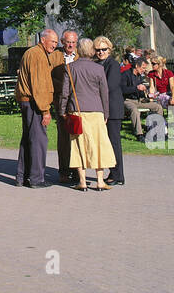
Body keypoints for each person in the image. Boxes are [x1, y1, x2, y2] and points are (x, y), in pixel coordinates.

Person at [56, 38, 116, 191]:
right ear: (92, 51)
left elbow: (65, 93)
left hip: (77, 111)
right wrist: (106, 113)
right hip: (96, 111)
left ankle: (82, 181)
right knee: (99, 145)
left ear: (79, 50)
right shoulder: (99, 69)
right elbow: (104, 93)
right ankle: (100, 181)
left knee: (78, 146)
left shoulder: (70, 68)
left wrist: (62, 110)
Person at [15, 28, 63, 188]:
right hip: (34, 103)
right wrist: (45, 110)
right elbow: (39, 86)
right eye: (52, 42)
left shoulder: (33, 53)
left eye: (56, 42)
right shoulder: (38, 55)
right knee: (38, 140)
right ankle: (36, 178)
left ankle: (22, 176)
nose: (55, 45)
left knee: (28, 139)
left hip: (27, 101)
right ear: (43, 40)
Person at [95, 36, 126, 185]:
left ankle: (117, 174)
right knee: (106, 142)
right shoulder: (97, 63)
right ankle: (113, 172)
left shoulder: (112, 64)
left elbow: (110, 86)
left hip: (112, 108)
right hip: (102, 108)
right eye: (98, 50)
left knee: (114, 142)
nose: (101, 52)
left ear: (109, 49)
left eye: (103, 49)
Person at [51, 30, 81, 186]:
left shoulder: (80, 57)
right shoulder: (55, 56)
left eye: (73, 42)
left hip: (76, 104)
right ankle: (63, 171)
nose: (70, 45)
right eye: (68, 42)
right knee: (63, 139)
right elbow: (50, 77)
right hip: (60, 102)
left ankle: (77, 171)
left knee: (77, 137)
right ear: (63, 42)